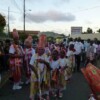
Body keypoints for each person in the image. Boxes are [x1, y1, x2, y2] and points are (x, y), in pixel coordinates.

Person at [29, 34, 50, 100]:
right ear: (37, 49)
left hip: (42, 73)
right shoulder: (34, 55)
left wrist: (43, 61)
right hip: (34, 73)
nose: (40, 50)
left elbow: (48, 65)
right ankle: (32, 96)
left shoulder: (45, 56)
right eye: (39, 49)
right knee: (33, 84)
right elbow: (30, 65)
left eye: (42, 49)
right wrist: (36, 73)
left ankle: (39, 95)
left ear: (44, 50)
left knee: (40, 84)